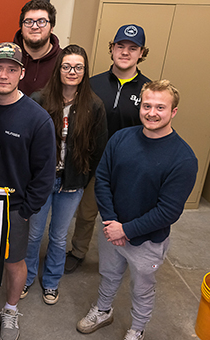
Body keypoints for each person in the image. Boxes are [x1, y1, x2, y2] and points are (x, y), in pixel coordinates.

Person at [76, 80, 197, 340]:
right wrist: (111, 222)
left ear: (173, 112)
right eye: (147, 105)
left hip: (147, 240)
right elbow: (103, 179)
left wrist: (127, 230)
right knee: (108, 274)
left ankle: (137, 328)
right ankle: (103, 310)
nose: (152, 112)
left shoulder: (184, 158)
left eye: (160, 107)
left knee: (142, 287)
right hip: (111, 230)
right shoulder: (121, 138)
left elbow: (168, 211)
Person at [0, 42, 56, 340]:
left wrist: (26, 211)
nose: (3, 75)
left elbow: (45, 173)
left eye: (11, 69)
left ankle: (9, 308)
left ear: (21, 73)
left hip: (13, 207)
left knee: (13, 261)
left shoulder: (37, 118)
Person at [24, 44, 107, 305]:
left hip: (71, 184)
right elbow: (26, 144)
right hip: (41, 181)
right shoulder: (39, 100)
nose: (72, 71)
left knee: (59, 236)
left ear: (85, 71)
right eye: (67, 66)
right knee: (34, 234)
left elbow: (98, 149)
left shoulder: (94, 106)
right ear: (59, 69)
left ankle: (51, 282)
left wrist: (81, 178)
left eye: (78, 67)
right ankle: (25, 278)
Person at [65, 24, 151, 274]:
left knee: (124, 216)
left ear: (141, 53)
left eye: (132, 48)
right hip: (96, 164)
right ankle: (78, 251)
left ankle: (121, 256)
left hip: (129, 167)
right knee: (87, 213)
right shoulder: (92, 84)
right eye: (120, 46)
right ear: (112, 49)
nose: (125, 52)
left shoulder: (147, 89)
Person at [0, 0, 61, 96]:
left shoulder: (62, 62)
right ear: (21, 27)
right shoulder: (2, 56)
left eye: (41, 22)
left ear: (52, 27)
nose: (35, 26)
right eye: (28, 22)